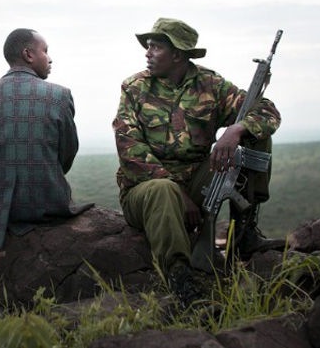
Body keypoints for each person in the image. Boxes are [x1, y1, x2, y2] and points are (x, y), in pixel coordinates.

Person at [113, 18, 282, 305]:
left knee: (255, 135)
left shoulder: (211, 85)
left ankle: (244, 233)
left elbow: (267, 112)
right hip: (148, 190)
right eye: (148, 46)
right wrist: (177, 192)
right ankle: (182, 280)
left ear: (177, 54)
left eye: (155, 46)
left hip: (197, 181)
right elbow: (129, 148)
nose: (147, 52)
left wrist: (235, 130)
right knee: (163, 190)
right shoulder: (134, 88)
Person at [0, 28, 93, 249]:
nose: (50, 58)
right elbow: (67, 153)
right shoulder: (60, 95)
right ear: (29, 55)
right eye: (45, 51)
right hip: (46, 204)